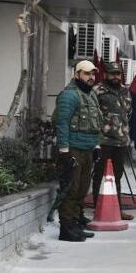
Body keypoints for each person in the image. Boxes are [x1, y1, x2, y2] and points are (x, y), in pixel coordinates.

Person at [53, 60, 103, 242]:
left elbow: (96, 123)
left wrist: (97, 146)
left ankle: (76, 223)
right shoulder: (69, 95)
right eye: (87, 74)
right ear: (77, 75)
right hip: (73, 149)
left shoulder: (91, 95)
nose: (91, 77)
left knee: (82, 189)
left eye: (93, 74)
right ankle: (66, 228)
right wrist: (64, 150)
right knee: (70, 189)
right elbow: (62, 123)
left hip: (88, 149)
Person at [92, 62, 134, 221]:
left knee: (117, 175)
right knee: (100, 175)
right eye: (112, 73)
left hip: (121, 141)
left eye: (118, 73)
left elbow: (127, 113)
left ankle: (117, 210)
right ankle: (98, 208)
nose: (115, 76)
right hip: (103, 140)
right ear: (106, 74)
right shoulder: (97, 90)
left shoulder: (125, 91)